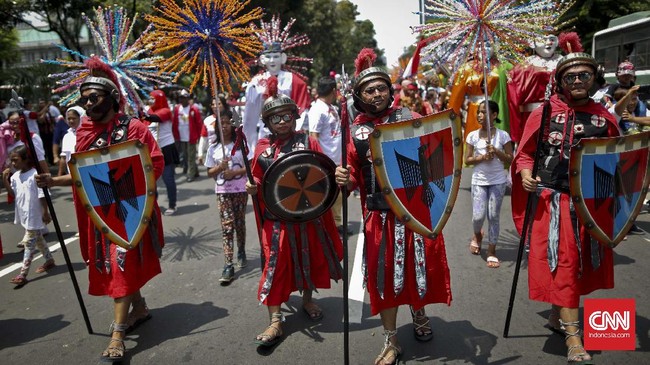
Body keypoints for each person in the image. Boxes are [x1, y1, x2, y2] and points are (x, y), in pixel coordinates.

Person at [35, 56, 164, 362]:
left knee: (120, 265)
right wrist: (52, 180)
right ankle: (140, 308)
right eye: (84, 99)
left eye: (94, 97)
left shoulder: (134, 128)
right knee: (119, 265)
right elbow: (83, 177)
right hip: (101, 217)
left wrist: (128, 188)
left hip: (129, 212)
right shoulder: (84, 133)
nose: (88, 103)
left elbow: (153, 164)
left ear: (112, 98)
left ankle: (118, 335)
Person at [334, 48, 452, 365]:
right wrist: (343, 177)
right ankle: (390, 340)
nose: (376, 94)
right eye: (369, 90)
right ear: (359, 96)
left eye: (381, 88)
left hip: (414, 212)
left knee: (416, 269)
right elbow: (353, 178)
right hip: (378, 215)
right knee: (384, 277)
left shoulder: (411, 119)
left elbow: (435, 161)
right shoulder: (356, 130)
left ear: (390, 90)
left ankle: (419, 312)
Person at [511, 50, 620, 365]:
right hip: (555, 203)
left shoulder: (605, 116)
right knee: (567, 264)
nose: (576, 80)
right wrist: (525, 173)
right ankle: (574, 338)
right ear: (559, 81)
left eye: (583, 75)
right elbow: (525, 153)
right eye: (569, 76)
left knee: (578, 266)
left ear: (594, 78)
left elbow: (620, 161)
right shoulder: (543, 113)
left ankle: (557, 317)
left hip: (590, 205)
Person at [246, 75, 343, 347]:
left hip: (308, 216)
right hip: (277, 220)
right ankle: (275, 319)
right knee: (275, 266)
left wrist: (339, 176)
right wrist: (251, 186)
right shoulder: (263, 149)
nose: (281, 122)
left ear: (294, 116)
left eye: (286, 116)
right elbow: (257, 180)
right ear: (267, 123)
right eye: (275, 118)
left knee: (308, 258)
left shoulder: (308, 142)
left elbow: (322, 173)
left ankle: (308, 300)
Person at [242, 37, 311, 156]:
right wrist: (249, 143)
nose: (272, 60)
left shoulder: (293, 81)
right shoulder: (255, 83)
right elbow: (250, 117)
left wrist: (296, 132)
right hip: (264, 134)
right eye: (268, 57)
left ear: (283, 58)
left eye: (276, 56)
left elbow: (301, 109)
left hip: (289, 132)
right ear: (262, 59)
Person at [464, 100, 513, 268]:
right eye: (479, 112)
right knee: (478, 216)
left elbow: (510, 158)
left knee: (493, 216)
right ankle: (477, 235)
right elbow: (467, 160)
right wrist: (482, 158)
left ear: (494, 115)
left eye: (484, 112)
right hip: (479, 181)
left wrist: (497, 152)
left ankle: (492, 251)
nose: (480, 115)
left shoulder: (503, 135)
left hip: (498, 181)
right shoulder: (472, 135)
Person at [205, 109, 248, 284]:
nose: (225, 126)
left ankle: (242, 251)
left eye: (227, 122)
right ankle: (228, 264)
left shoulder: (241, 146)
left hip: (240, 190)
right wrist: (220, 168)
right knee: (227, 226)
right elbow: (209, 172)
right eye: (221, 123)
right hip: (222, 192)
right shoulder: (213, 148)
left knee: (239, 223)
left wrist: (235, 172)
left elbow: (250, 167)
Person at [2, 145, 54, 286]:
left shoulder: (35, 175)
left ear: (25, 160)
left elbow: (43, 195)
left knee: (29, 244)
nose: (13, 163)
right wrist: (5, 180)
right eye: (11, 161)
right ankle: (49, 259)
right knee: (38, 239)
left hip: (35, 214)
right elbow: (13, 194)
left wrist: (45, 212)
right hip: (25, 213)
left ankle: (22, 274)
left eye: (16, 160)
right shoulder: (16, 177)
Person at [307, 76, 349, 234]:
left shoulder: (330, 107)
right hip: (326, 160)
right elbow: (313, 137)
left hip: (336, 158)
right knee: (329, 194)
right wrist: (319, 161)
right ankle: (331, 227)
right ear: (333, 90)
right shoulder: (317, 109)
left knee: (337, 193)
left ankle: (337, 224)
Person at [506, 33, 561, 145]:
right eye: (543, 39)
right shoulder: (522, 67)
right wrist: (516, 129)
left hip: (560, 114)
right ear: (532, 43)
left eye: (552, 39)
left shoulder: (564, 62)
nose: (548, 43)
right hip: (533, 116)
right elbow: (513, 99)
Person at [147, 89, 180, 215]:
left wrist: (142, 115)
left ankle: (172, 205)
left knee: (168, 178)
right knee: (151, 180)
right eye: (149, 98)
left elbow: (155, 118)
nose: (150, 101)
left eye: (153, 98)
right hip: (152, 150)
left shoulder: (166, 111)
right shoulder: (148, 110)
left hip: (166, 148)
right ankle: (153, 205)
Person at [198, 95, 240, 166]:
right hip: (214, 154)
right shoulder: (207, 120)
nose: (215, 106)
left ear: (224, 104)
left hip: (232, 151)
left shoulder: (233, 117)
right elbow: (203, 138)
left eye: (218, 104)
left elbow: (239, 133)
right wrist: (200, 154)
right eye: (213, 104)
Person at [172, 89, 202, 182]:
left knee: (191, 156)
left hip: (191, 136)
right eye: (181, 98)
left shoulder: (194, 109)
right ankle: (195, 171)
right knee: (186, 156)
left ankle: (190, 174)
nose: (182, 100)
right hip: (181, 136)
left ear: (188, 98)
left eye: (184, 98)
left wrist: (199, 136)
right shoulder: (177, 108)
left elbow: (199, 123)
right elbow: (174, 122)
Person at [57, 106, 84, 176]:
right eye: (69, 118)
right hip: (72, 175)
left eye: (74, 118)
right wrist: (59, 176)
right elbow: (63, 158)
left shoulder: (86, 133)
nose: (71, 121)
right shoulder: (67, 136)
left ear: (81, 118)